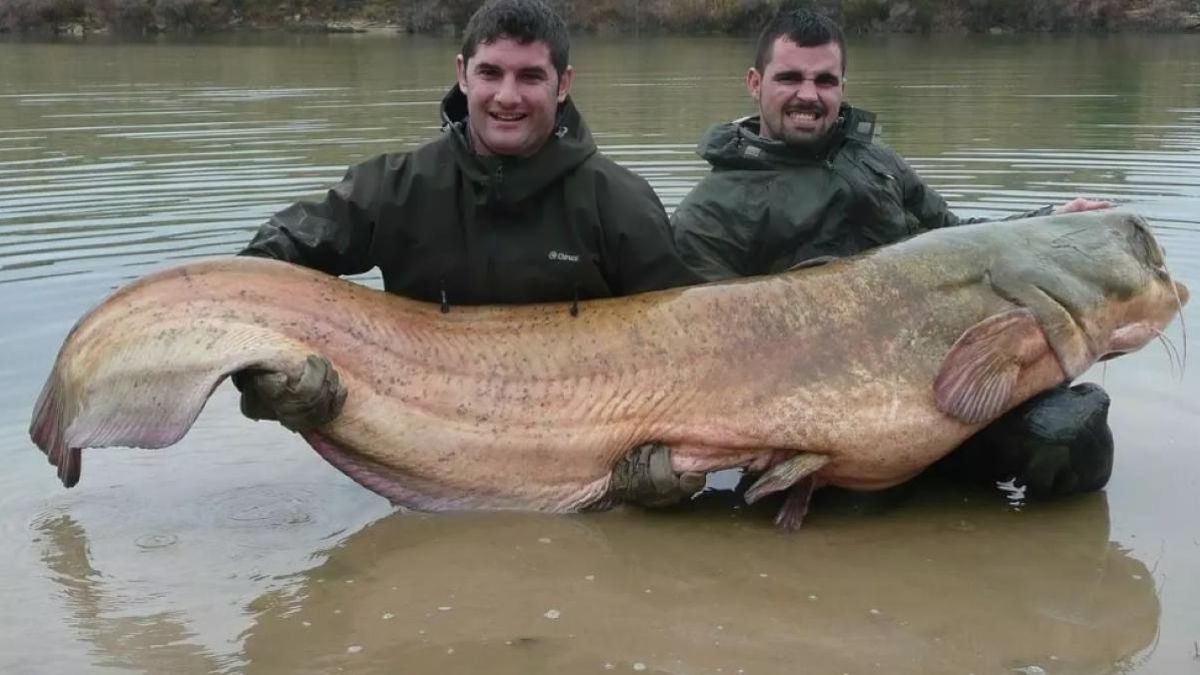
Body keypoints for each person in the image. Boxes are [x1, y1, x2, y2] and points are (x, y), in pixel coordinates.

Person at [235, 0, 705, 507]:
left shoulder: (621, 202)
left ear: (563, 83)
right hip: (421, 465)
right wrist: (270, 379)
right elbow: (258, 271)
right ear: (463, 74)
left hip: (584, 473)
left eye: (530, 76)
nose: (507, 96)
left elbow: (690, 349)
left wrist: (668, 465)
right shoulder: (395, 186)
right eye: (490, 73)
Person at [671, 9, 1115, 498]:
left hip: (941, 384)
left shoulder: (876, 162)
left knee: (1073, 436)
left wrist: (1049, 219)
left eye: (825, 80)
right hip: (816, 418)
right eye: (790, 77)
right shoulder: (709, 213)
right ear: (755, 83)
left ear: (842, 85)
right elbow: (702, 350)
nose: (808, 95)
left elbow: (958, 239)